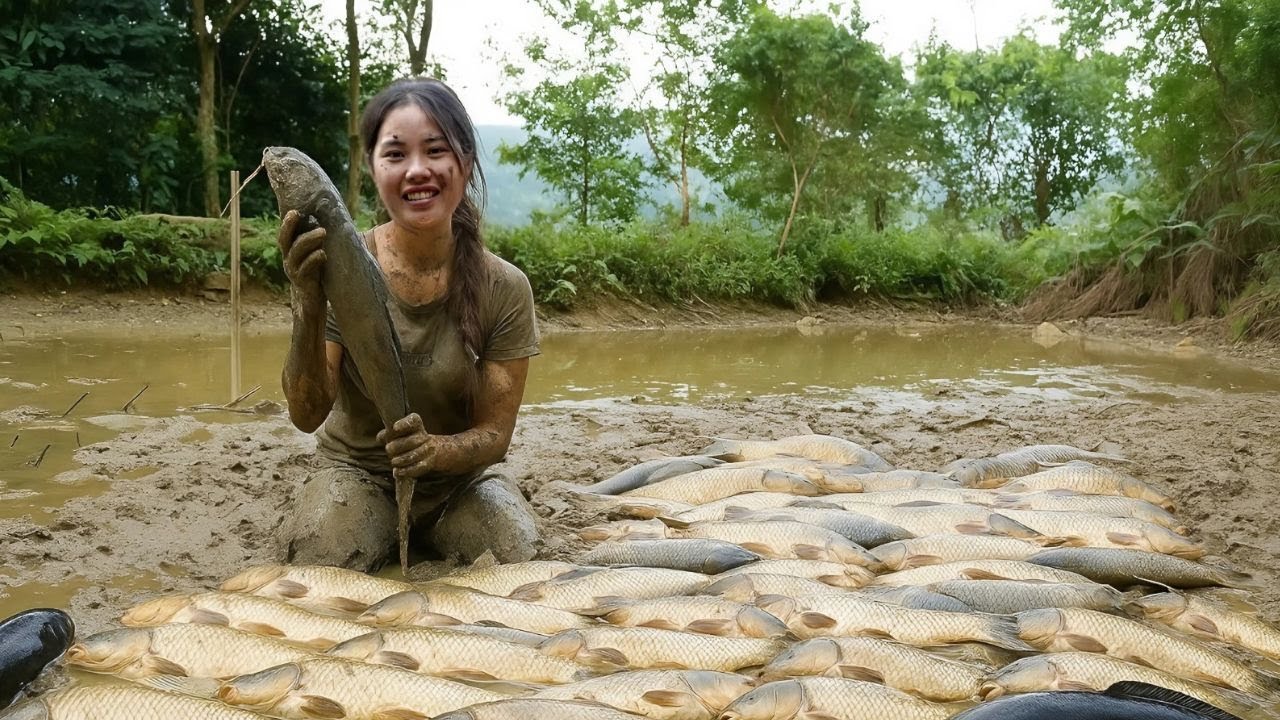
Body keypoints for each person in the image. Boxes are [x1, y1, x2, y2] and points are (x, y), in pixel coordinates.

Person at [274, 77, 541, 571]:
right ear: (374, 169)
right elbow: (307, 413)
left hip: (460, 485)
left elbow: (495, 436)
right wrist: (308, 301)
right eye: (395, 154)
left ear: (465, 162)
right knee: (320, 565)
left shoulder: (505, 287)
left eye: (435, 150)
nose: (417, 170)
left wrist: (433, 452)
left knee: (515, 558)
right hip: (356, 475)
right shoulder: (341, 266)